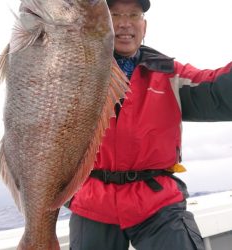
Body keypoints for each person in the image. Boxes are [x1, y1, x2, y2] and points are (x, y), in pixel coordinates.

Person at [68, 0, 232, 249]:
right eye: (115, 15)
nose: (124, 23)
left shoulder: (170, 74)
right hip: (93, 202)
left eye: (134, 14)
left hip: (158, 202)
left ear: (144, 26)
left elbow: (217, 89)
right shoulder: (74, 73)